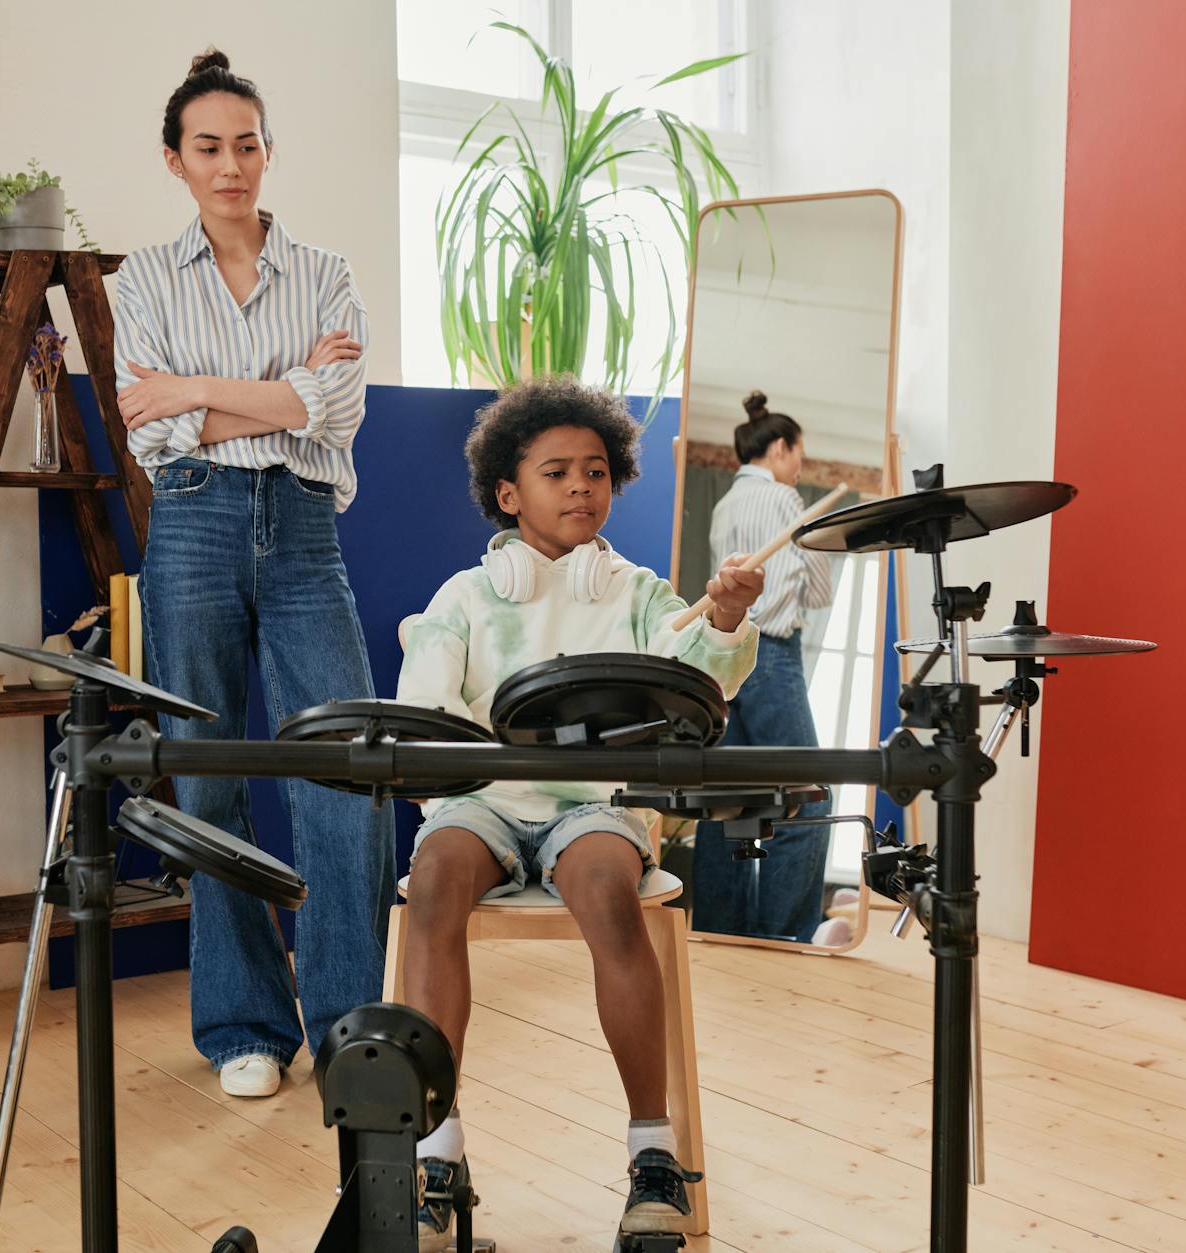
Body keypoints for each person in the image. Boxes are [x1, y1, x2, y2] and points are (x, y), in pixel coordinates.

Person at [395, 376, 762, 1248]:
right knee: (435, 877)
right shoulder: (464, 598)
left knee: (604, 886)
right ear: (508, 493)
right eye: (556, 471)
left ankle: (652, 1156)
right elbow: (426, 707)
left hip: (595, 806)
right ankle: (437, 1159)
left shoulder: (636, 593)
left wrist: (729, 615)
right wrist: (449, 761)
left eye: (595, 470)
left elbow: (702, 680)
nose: (579, 487)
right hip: (483, 801)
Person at [113, 49, 392, 1099]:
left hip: (304, 527)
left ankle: (349, 1021)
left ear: (267, 151)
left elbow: (338, 406)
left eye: (246, 144)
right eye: (207, 148)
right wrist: (278, 392)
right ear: (176, 161)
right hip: (190, 526)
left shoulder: (326, 272)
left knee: (346, 773)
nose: (230, 165)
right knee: (206, 771)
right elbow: (156, 428)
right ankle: (243, 1024)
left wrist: (198, 389)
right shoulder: (136, 278)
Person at [693, 390, 839, 943]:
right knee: (810, 798)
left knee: (727, 802)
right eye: (798, 454)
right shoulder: (783, 499)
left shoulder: (724, 504)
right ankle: (782, 938)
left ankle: (720, 932)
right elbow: (819, 591)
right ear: (779, 448)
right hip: (772, 655)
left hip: (727, 659)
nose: (799, 467)